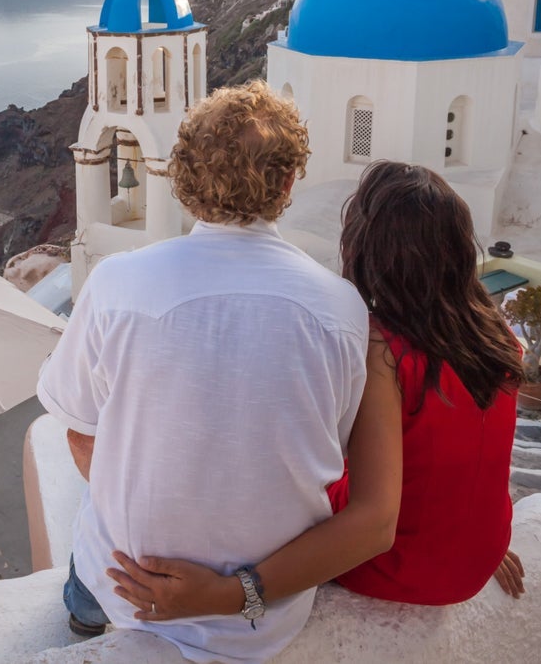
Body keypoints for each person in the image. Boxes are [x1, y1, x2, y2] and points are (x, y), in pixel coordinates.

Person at [105, 161, 527, 624]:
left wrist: (227, 595)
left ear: (368, 248)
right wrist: (477, 545)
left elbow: (375, 525)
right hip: (474, 558)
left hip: (399, 570)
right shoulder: (497, 337)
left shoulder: (384, 349)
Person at [36, 82, 369, 664]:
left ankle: (83, 622)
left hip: (128, 587)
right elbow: (326, 451)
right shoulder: (339, 309)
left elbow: (78, 431)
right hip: (265, 615)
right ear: (288, 183)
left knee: (85, 560)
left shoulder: (116, 283)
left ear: (185, 180)